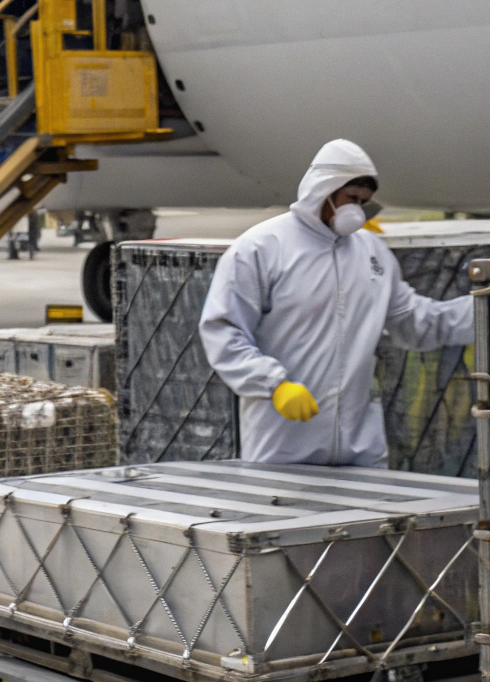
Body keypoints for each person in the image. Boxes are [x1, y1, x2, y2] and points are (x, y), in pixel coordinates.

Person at [198, 139, 473, 466]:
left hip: (360, 446)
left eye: (364, 202)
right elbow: (223, 331)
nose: (357, 211)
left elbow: (417, 323)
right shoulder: (261, 248)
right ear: (323, 190)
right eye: (351, 199)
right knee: (287, 513)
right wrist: (274, 384)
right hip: (283, 442)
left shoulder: (371, 252)